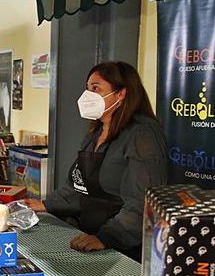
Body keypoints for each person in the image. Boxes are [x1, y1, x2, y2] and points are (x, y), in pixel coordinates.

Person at [25, 61, 168, 260]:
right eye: (87, 88)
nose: (87, 95)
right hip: (90, 236)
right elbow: (79, 185)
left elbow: (143, 202)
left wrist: (106, 237)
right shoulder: (96, 132)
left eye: (96, 88)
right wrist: (47, 205)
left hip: (125, 248)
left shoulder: (143, 135)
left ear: (121, 93)